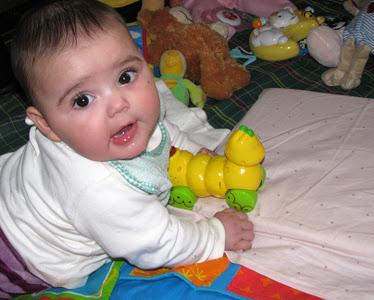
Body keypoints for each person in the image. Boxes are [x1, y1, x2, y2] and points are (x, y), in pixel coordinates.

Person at [0, 0, 254, 297]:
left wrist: (195, 151)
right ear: (46, 126)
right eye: (83, 100)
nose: (119, 104)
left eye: (125, 77)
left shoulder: (125, 118)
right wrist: (216, 235)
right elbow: (157, 243)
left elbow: (161, 130)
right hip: (16, 253)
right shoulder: (98, 189)